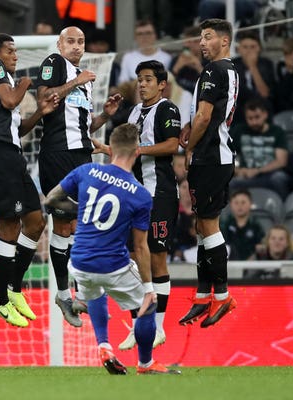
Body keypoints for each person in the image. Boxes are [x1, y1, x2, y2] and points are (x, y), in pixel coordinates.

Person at [44, 123, 180, 375]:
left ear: (111, 149)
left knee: (95, 292)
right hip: (112, 265)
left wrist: (82, 210)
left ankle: (104, 345)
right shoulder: (140, 194)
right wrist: (150, 289)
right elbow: (140, 247)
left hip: (79, 262)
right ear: (136, 151)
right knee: (146, 305)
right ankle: (146, 363)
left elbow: (51, 199)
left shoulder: (87, 170)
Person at [36, 26, 123, 327]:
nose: (76, 46)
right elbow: (44, 98)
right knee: (64, 223)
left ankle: (75, 292)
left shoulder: (81, 82)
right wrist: (77, 81)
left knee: (77, 225)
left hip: (81, 154)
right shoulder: (54, 64)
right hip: (58, 153)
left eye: (80, 42)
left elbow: (82, 128)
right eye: (70, 41)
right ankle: (65, 292)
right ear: (59, 44)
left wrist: (106, 116)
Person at [0, 33, 59, 328]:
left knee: (36, 222)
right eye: (10, 50)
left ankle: (14, 289)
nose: (15, 55)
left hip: (11, 152)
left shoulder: (3, 82)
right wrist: (25, 83)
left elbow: (16, 127)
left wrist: (40, 112)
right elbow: (11, 101)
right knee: (10, 224)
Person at [96, 60, 180, 350]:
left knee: (156, 257)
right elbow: (128, 154)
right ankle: (140, 324)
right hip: (134, 194)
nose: (142, 84)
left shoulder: (167, 109)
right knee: (133, 259)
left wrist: (138, 149)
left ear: (161, 84)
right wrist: (106, 148)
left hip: (160, 193)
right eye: (139, 79)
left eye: (147, 79)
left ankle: (157, 327)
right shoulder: (134, 112)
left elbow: (172, 145)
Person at [179, 18, 238, 328]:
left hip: (211, 156)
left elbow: (203, 117)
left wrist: (190, 148)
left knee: (208, 224)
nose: (202, 42)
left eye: (208, 36)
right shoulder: (228, 70)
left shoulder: (215, 71)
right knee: (202, 225)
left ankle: (223, 295)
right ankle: (204, 295)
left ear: (224, 41)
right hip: (216, 154)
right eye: (201, 37)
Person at [230, 98, 290, 199]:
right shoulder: (239, 131)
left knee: (279, 178)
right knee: (230, 182)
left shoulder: (277, 132)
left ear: (265, 114)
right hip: (246, 175)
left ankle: (282, 211)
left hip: (269, 175)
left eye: (257, 117)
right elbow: (227, 156)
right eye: (250, 118)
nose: (254, 122)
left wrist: (257, 171)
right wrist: (238, 170)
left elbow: (281, 161)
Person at [231, 30, 275, 126]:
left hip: (262, 107)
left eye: (253, 47)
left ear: (259, 48)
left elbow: (265, 93)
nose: (249, 51)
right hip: (239, 109)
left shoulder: (266, 64)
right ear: (239, 49)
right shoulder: (232, 65)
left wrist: (253, 67)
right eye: (245, 47)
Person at [220, 189, 265, 261]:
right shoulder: (225, 224)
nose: (239, 206)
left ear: (250, 204)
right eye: (236, 203)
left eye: (243, 202)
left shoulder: (256, 225)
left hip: (252, 265)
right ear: (230, 204)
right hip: (229, 264)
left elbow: (261, 245)